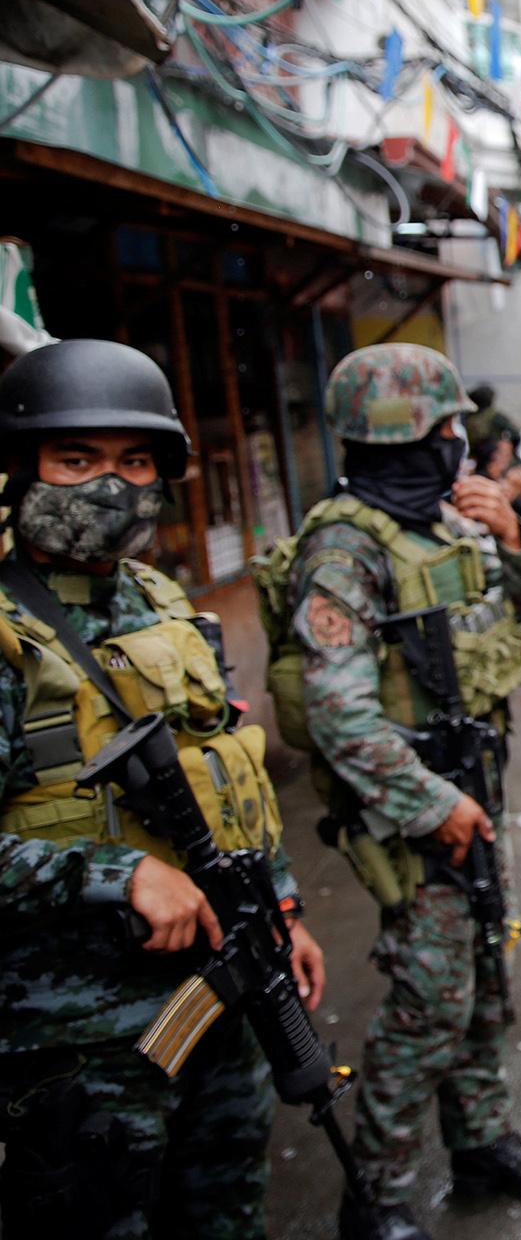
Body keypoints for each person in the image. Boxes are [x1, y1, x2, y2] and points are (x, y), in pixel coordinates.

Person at [0, 338, 325, 1239]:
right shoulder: (6, 631)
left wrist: (283, 906)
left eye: (133, 461)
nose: (109, 486)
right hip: (73, 1045)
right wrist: (118, 876)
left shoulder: (163, 606)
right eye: (77, 460)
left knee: (227, 1211)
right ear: (22, 464)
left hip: (217, 997)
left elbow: (230, 773)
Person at [266, 343, 521, 1240]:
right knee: (428, 1001)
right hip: (416, 812)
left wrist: (513, 536)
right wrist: (436, 807)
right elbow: (341, 719)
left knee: (487, 972)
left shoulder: (443, 527)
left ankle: (480, 1143)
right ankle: (378, 1194)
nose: (458, 447)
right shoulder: (344, 548)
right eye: (446, 431)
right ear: (402, 439)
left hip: (476, 784)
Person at [461, 384, 517, 463]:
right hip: (485, 458)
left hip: (484, 457)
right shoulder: (492, 415)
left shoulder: (468, 416)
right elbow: (515, 434)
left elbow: (515, 435)